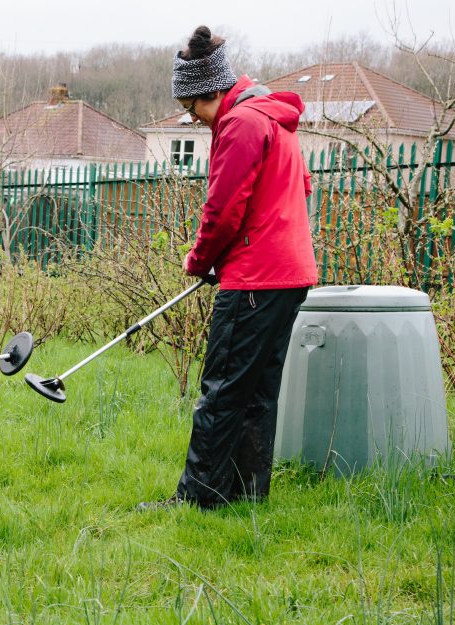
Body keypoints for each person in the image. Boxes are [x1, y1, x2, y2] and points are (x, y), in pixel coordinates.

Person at [139, 26, 317, 510]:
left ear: (211, 91)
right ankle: (246, 495)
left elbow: (223, 208)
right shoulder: (274, 120)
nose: (192, 117)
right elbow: (297, 192)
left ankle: (197, 499)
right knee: (257, 390)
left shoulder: (240, 125)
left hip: (257, 279)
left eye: (192, 106)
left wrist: (199, 260)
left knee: (220, 391)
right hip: (290, 274)